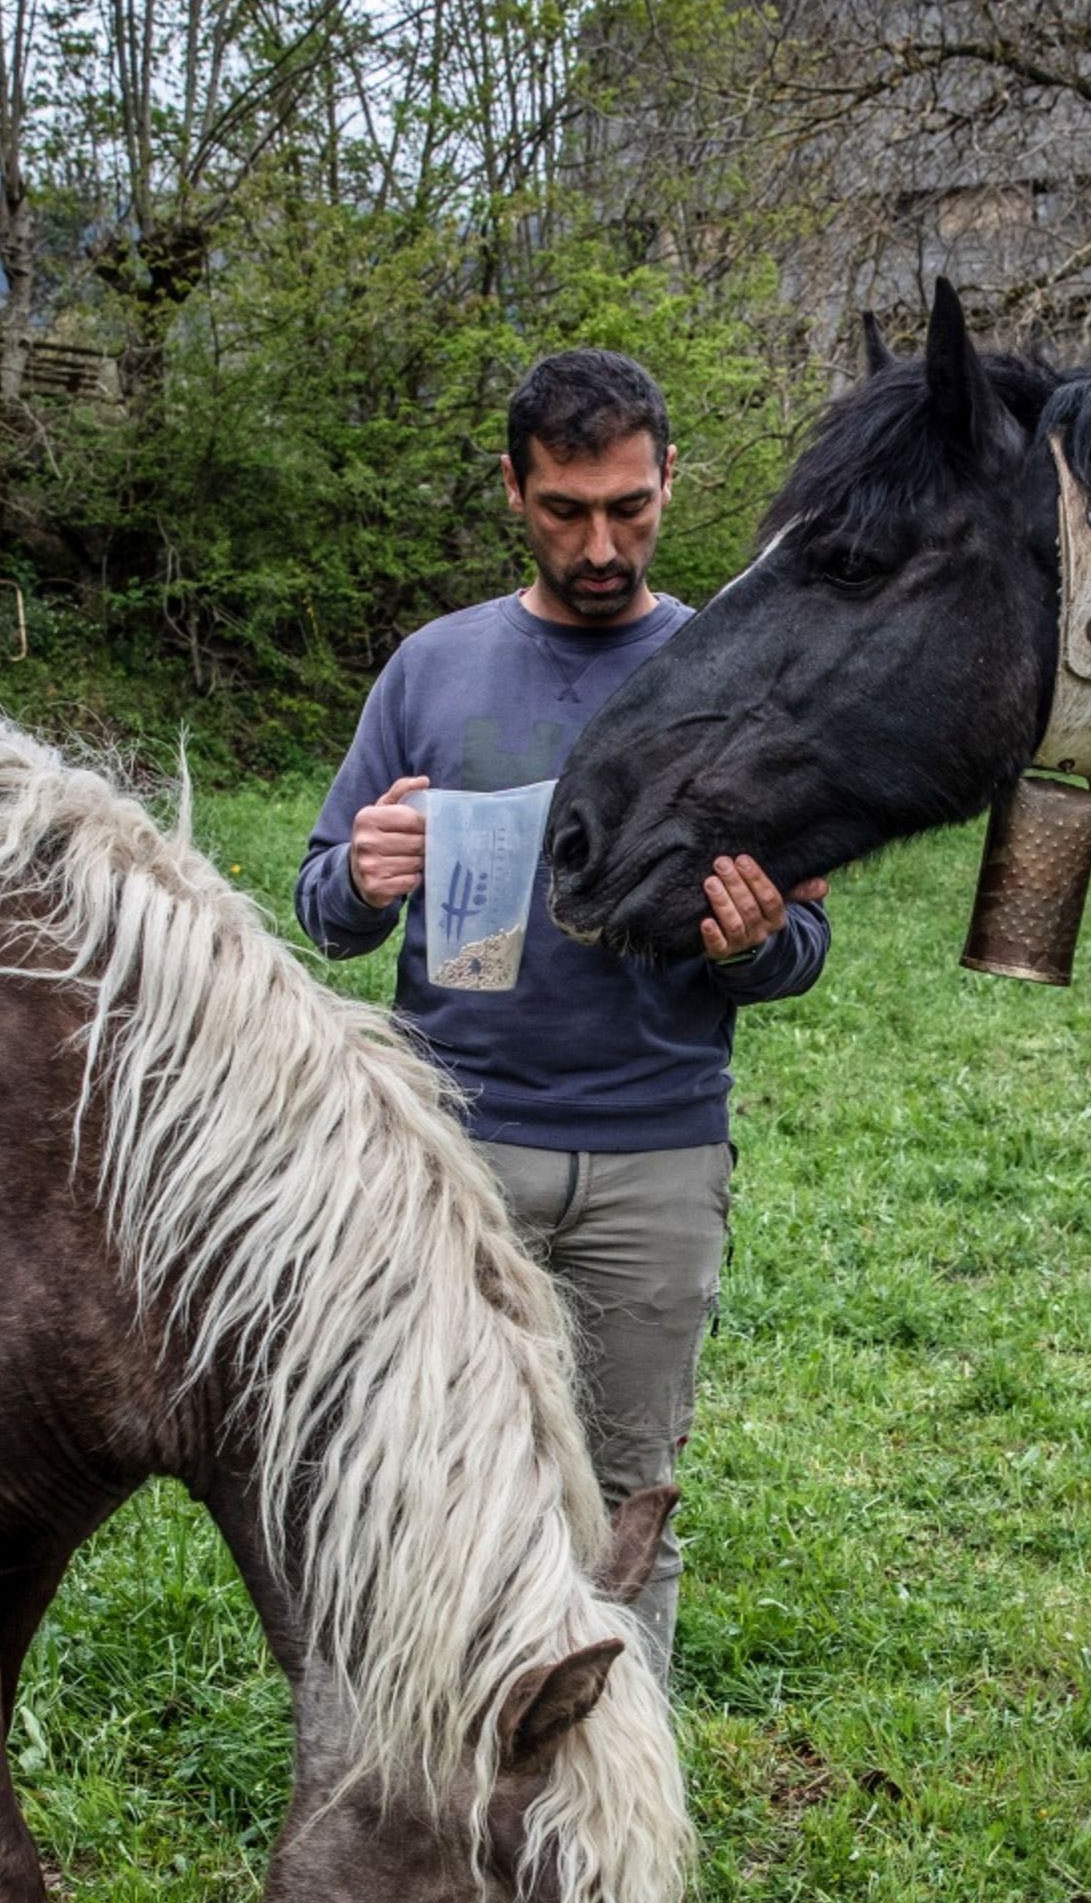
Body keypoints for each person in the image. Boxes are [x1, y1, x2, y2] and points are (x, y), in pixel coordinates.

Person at [296, 349, 828, 1672]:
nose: (602, 545)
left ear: (667, 483)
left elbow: (804, 943)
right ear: (512, 489)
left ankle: (611, 1800)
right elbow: (319, 904)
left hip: (657, 1156)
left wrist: (756, 944)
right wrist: (362, 879)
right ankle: (430, 1776)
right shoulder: (433, 670)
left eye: (630, 509)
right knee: (432, 1487)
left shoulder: (734, 672)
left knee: (621, 1503)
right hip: (454, 1151)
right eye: (565, 511)